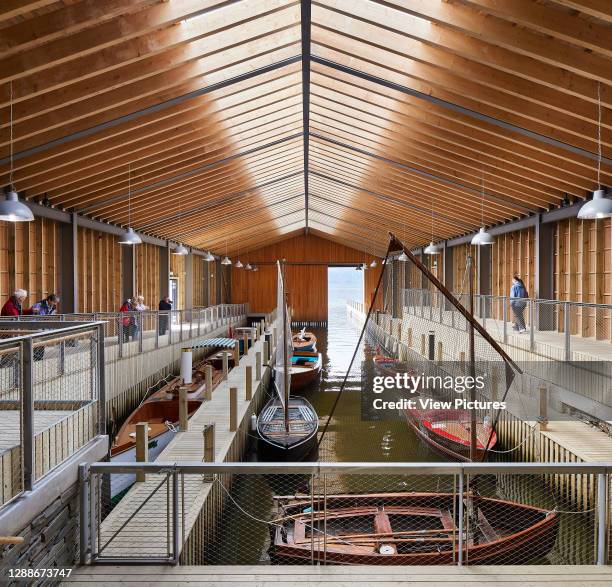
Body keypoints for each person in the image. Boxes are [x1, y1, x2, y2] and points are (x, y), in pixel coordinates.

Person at [27, 294, 60, 360]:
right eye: (54, 302)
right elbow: (32, 317)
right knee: (36, 343)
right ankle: (34, 358)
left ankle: (40, 357)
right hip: (37, 327)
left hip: (45, 328)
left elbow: (52, 318)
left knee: (42, 343)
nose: (55, 304)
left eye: (56, 302)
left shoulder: (53, 307)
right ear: (49, 300)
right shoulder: (39, 305)